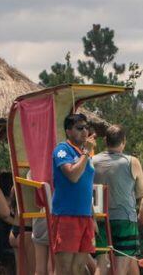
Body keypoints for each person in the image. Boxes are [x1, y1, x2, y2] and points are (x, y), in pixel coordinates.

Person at [93, 124, 143, 275]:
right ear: (124, 141)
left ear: (105, 140)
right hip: (125, 220)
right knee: (121, 269)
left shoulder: (92, 161)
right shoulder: (131, 161)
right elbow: (141, 192)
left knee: (101, 265)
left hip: (100, 219)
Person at [51, 113, 98, 275]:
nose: (85, 131)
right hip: (66, 216)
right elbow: (73, 176)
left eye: (87, 128)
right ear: (68, 131)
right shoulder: (62, 150)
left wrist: (93, 217)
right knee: (64, 269)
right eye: (80, 128)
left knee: (78, 269)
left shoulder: (83, 154)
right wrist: (86, 154)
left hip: (84, 216)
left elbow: (86, 187)